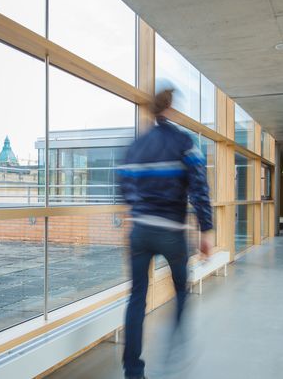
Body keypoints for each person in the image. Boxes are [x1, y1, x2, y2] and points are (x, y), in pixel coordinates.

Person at [118, 86, 213, 379]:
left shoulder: (135, 146)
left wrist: (139, 210)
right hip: (172, 231)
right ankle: (174, 351)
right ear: (170, 110)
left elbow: (124, 189)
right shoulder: (184, 141)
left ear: (151, 110)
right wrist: (205, 229)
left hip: (141, 231)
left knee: (136, 298)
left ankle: (133, 371)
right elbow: (198, 186)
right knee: (182, 289)